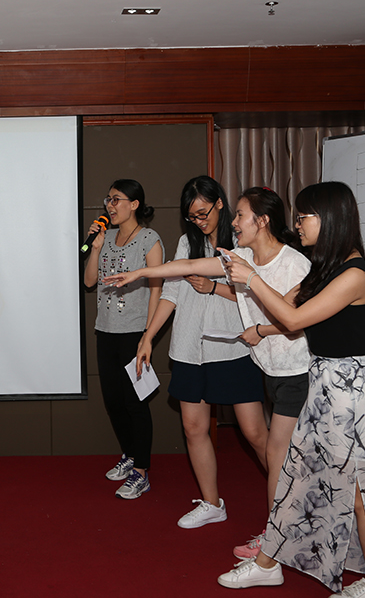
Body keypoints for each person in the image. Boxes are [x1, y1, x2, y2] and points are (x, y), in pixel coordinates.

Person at [215, 181, 365, 598]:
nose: (297, 224)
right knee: (300, 475)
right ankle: (268, 564)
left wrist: (253, 280)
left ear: (330, 218)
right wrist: (257, 317)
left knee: (359, 490)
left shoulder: (354, 273)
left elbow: (295, 322)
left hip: (350, 391)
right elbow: (287, 307)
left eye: (304, 216)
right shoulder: (326, 266)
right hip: (323, 383)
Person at [118, 176, 268, 524]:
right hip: (189, 348)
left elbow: (260, 298)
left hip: (232, 348)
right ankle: (211, 503)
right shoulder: (188, 242)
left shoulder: (242, 242)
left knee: (255, 432)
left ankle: (292, 499)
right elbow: (172, 292)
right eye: (193, 217)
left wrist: (213, 290)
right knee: (193, 428)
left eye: (204, 213)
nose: (199, 221)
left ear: (219, 204)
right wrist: (148, 338)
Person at [223, 187, 311, 560]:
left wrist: (259, 331)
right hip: (272, 367)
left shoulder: (296, 264)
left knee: (278, 454)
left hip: (299, 368)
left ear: (262, 220)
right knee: (309, 456)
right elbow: (191, 266)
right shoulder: (242, 256)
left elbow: (295, 321)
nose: (234, 221)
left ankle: (273, 541)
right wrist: (144, 272)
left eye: (240, 214)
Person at [84, 179, 163, 499]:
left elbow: (158, 287)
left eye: (117, 200)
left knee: (135, 403)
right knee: (114, 401)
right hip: (105, 329)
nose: (110, 206)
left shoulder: (149, 239)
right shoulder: (107, 238)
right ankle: (130, 455)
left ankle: (141, 471)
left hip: (134, 332)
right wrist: (97, 247)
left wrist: (148, 334)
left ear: (134, 204)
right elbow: (90, 281)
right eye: (108, 200)